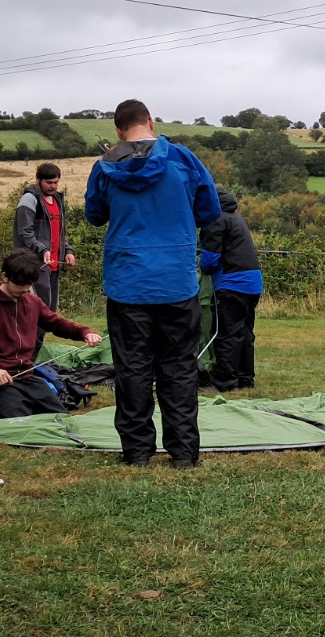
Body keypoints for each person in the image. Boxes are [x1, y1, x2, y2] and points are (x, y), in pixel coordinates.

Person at [86, 99, 221, 468]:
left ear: (118, 130)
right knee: (179, 366)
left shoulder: (104, 166)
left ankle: (137, 453)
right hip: (176, 282)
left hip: (128, 283)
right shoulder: (183, 159)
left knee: (132, 368)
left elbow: (94, 214)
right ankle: (183, 454)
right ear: (150, 121)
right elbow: (210, 211)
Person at [0, 249, 102, 422]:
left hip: (26, 377)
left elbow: (56, 323)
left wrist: (84, 332)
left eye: (29, 283)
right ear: (5, 277)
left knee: (59, 417)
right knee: (21, 422)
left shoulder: (32, 301)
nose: (25, 289)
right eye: (20, 284)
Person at [198, 190, 263, 392]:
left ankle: (225, 382)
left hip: (231, 283)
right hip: (253, 283)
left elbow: (209, 259)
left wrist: (201, 267)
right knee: (245, 332)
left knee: (227, 334)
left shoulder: (215, 220)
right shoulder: (237, 218)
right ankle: (245, 379)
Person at [15, 163, 75, 314]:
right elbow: (25, 232)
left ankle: (38, 338)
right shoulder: (29, 199)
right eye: (49, 183)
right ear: (38, 180)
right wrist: (42, 250)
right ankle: (29, 338)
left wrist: (68, 251)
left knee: (50, 309)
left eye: (56, 182)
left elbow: (58, 232)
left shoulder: (58, 200)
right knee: (39, 307)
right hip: (35, 262)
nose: (53, 186)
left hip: (54, 262)